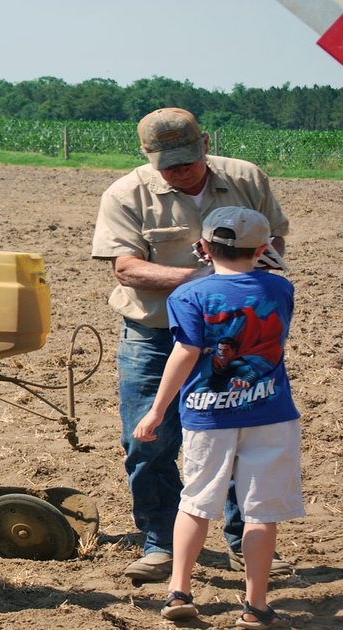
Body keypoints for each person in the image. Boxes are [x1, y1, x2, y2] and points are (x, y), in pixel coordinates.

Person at [90, 108, 291, 581]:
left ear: (205, 143)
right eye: (168, 165)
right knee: (147, 440)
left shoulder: (246, 179)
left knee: (240, 435)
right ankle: (160, 543)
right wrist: (208, 281)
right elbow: (127, 269)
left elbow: (273, 239)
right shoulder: (126, 194)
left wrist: (241, 279)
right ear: (147, 155)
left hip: (234, 335)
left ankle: (243, 543)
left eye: (187, 160)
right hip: (155, 334)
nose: (179, 171)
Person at [133, 206, 302, 628]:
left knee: (195, 502)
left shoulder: (188, 295)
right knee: (260, 512)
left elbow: (186, 353)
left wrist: (157, 410)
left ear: (203, 247)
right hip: (270, 415)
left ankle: (179, 590)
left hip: (207, 415)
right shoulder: (280, 289)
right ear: (263, 249)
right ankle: (256, 605)